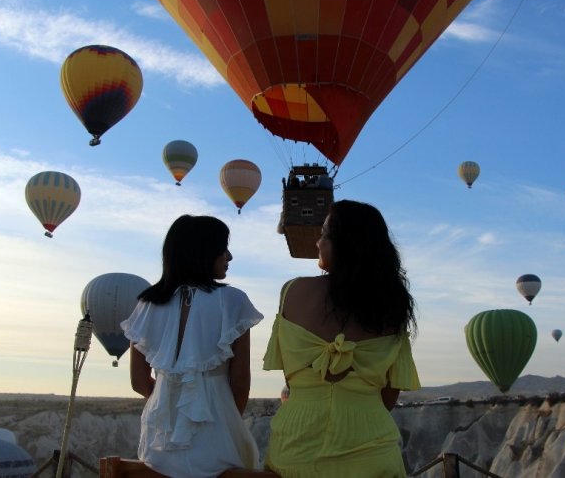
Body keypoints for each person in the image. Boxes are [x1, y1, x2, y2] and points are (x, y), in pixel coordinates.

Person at [263, 200, 420, 477]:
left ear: (344, 243)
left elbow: (291, 378)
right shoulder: (393, 307)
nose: (317, 242)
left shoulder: (293, 291)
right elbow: (389, 393)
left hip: (298, 447)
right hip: (372, 449)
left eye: (324, 234)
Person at [121, 215, 263, 478]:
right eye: (222, 247)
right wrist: (223, 416)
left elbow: (139, 382)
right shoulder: (232, 302)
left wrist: (171, 395)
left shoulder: (147, 304)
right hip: (217, 426)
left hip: (160, 437)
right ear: (203, 251)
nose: (229, 256)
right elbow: (240, 383)